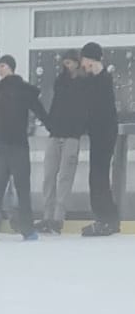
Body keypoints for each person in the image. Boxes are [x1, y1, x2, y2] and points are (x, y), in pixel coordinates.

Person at [0, 55, 50, 241]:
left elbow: (39, 110)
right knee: (0, 187)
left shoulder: (20, 90)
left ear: (11, 67)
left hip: (17, 145)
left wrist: (52, 125)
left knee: (20, 188)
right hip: (4, 145)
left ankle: (25, 229)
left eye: (2, 66)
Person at [38, 52, 88, 234]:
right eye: (65, 63)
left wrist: (79, 127)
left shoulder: (84, 83)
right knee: (49, 175)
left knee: (65, 177)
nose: (67, 66)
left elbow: (85, 108)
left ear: (76, 63)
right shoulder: (60, 81)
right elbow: (56, 104)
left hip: (72, 136)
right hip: (56, 133)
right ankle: (47, 215)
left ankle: (58, 217)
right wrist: (50, 124)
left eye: (69, 63)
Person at [80, 42, 121, 237]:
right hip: (98, 134)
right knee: (97, 177)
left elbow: (102, 111)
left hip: (104, 135)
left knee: (99, 177)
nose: (82, 64)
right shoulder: (93, 81)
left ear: (91, 59)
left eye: (84, 60)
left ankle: (107, 219)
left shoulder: (103, 81)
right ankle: (106, 218)